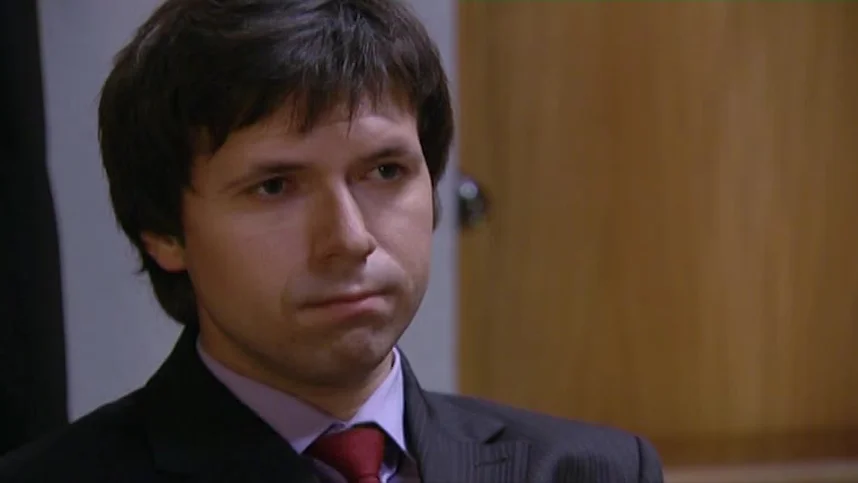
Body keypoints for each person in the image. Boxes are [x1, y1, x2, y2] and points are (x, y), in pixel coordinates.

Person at [0, 0, 664, 481]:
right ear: (164, 232)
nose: (349, 239)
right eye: (275, 187)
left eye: (385, 171)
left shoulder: (591, 470)